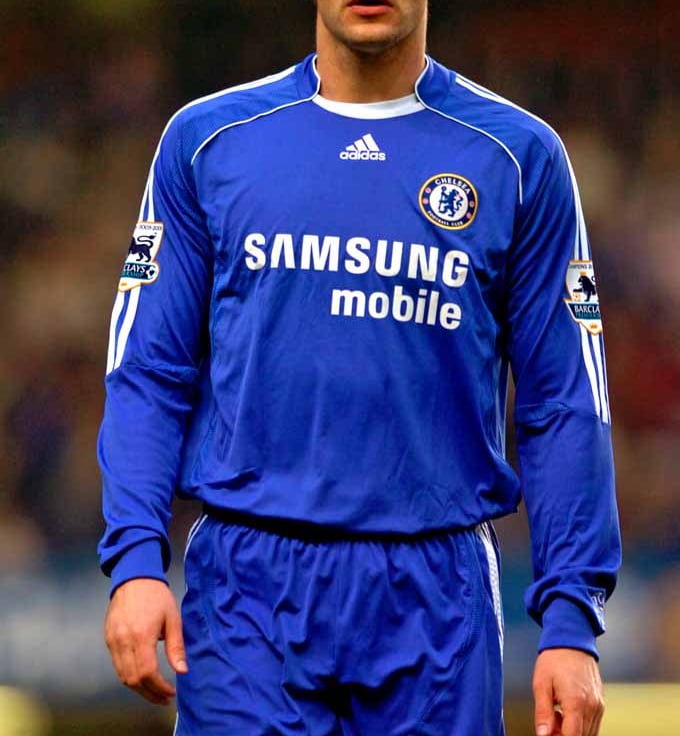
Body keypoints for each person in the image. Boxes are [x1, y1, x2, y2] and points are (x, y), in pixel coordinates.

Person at [99, 1, 621, 734]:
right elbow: (149, 370)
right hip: (248, 589)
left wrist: (571, 617)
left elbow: (564, 399)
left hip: (437, 595)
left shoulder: (518, 156)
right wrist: (134, 557)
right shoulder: (207, 140)